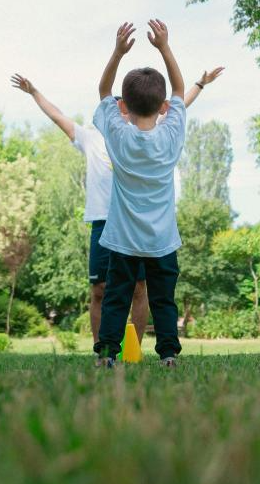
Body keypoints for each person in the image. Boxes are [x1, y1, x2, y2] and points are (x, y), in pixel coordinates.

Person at [10, 66, 223, 345]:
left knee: (139, 288)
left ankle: (133, 347)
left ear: (127, 105)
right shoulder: (94, 135)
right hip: (105, 221)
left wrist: (200, 84)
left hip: (138, 224)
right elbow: (57, 116)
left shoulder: (146, 133)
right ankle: (103, 347)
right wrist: (35, 92)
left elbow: (173, 105)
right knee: (102, 289)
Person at [92, 20, 187, 367]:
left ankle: (106, 354)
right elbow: (179, 89)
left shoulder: (118, 134)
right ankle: (168, 355)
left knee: (116, 297)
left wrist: (118, 52)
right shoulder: (171, 134)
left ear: (124, 106)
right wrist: (164, 47)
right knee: (164, 299)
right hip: (162, 239)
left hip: (123, 240)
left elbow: (103, 91)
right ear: (162, 106)